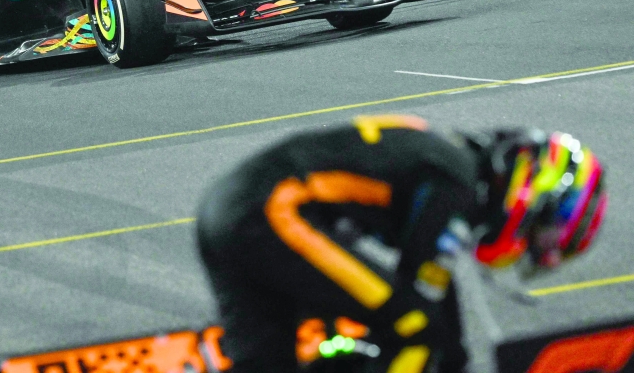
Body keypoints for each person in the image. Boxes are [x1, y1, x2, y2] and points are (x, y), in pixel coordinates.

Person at [195, 115, 606, 373]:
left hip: (225, 209)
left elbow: (434, 284)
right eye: (542, 232)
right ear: (531, 193)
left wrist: (454, 356)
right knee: (415, 330)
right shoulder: (456, 181)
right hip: (273, 211)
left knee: (265, 364)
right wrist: (452, 358)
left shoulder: (448, 161)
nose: (532, 243)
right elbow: (423, 291)